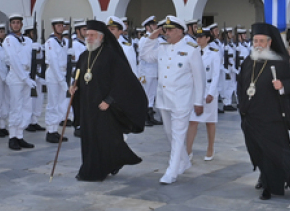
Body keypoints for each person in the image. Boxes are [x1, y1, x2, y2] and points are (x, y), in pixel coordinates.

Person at [237, 22, 290, 200]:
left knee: (273, 153)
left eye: (261, 41)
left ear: (269, 42)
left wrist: (283, 85)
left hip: (272, 118)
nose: (258, 44)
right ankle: (264, 176)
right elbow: (241, 86)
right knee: (258, 151)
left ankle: (271, 186)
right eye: (255, 41)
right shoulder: (248, 62)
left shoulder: (280, 63)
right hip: (251, 117)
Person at [71, 20, 147, 182]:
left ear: (101, 37)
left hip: (104, 106)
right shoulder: (84, 56)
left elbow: (123, 81)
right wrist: (73, 88)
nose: (88, 38)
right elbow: (78, 77)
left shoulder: (111, 56)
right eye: (87, 35)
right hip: (87, 106)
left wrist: (109, 100)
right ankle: (90, 168)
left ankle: (100, 169)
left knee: (105, 139)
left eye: (92, 35)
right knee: (89, 138)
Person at [139, 16, 205, 185]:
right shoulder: (162, 47)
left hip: (182, 99)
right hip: (164, 98)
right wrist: (151, 37)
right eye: (165, 30)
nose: (166, 33)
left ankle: (172, 171)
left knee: (177, 135)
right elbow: (145, 56)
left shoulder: (191, 49)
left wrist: (199, 101)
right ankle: (185, 161)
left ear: (179, 31)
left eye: (169, 30)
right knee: (169, 133)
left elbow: (199, 78)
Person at [2, 14, 38, 152]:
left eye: (18, 22)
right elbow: (13, 60)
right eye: (14, 23)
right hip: (17, 76)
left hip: (27, 75)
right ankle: (13, 137)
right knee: (16, 107)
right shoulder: (9, 40)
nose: (16, 25)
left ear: (22, 25)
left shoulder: (28, 40)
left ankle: (20, 134)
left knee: (26, 106)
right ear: (10, 25)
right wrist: (25, 78)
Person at [185, 26, 221, 161]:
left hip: (208, 90)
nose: (198, 39)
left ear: (207, 38)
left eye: (201, 37)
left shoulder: (214, 53)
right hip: (195, 91)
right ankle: (188, 151)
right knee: (193, 121)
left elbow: (217, 74)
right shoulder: (193, 51)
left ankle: (210, 148)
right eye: (197, 37)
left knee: (210, 122)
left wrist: (211, 92)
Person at [43, 18, 71, 144]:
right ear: (53, 27)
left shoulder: (64, 42)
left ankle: (55, 129)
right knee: (53, 104)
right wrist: (61, 80)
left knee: (61, 103)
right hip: (54, 75)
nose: (60, 27)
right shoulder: (50, 42)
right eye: (58, 25)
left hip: (63, 73)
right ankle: (50, 131)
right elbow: (53, 62)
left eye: (62, 25)